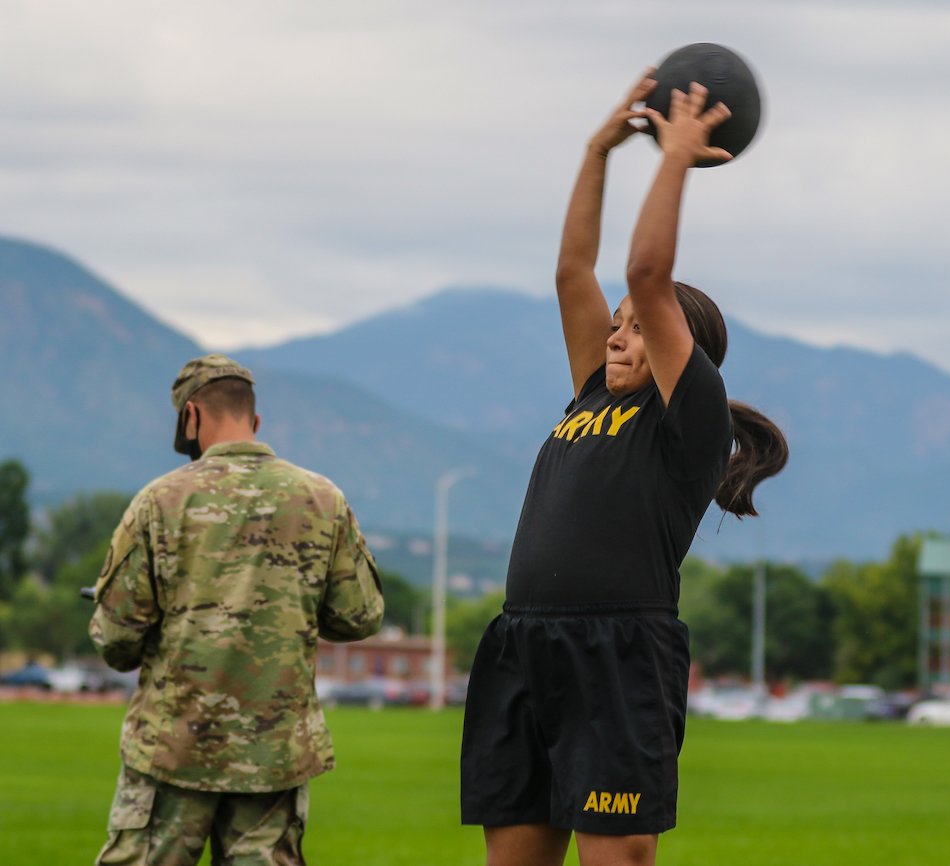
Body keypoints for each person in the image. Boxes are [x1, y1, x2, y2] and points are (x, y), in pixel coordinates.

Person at [460, 73, 789, 866]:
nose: (617, 336)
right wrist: (596, 151)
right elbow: (575, 273)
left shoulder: (687, 421)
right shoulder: (588, 396)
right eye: (616, 327)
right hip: (522, 643)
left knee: (619, 856)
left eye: (639, 331)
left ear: (684, 352)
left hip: (617, 650)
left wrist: (673, 158)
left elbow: (645, 273)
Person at [89, 353, 385, 866]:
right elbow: (360, 615)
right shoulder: (321, 499)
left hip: (171, 752)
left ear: (191, 417)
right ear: (255, 421)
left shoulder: (159, 501)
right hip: (273, 758)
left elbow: (116, 640)